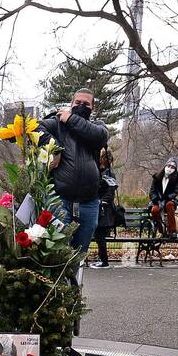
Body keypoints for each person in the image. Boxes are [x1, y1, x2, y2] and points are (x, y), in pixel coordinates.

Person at [39, 89, 108, 254]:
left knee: (80, 252)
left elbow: (100, 136)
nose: (81, 106)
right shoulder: (57, 124)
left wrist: (70, 118)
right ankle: (59, 280)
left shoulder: (98, 127)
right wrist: (54, 148)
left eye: (86, 104)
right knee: (57, 249)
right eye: (77, 103)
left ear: (93, 108)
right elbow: (35, 127)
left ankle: (75, 280)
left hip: (89, 202)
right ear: (71, 104)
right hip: (60, 199)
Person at [92, 147, 120, 268]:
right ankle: (101, 259)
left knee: (100, 235)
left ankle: (104, 261)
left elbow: (110, 192)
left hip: (105, 210)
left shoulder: (109, 173)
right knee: (99, 236)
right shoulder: (99, 171)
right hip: (99, 207)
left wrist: (101, 202)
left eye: (106, 159)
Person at [149, 157, 178, 236]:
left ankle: (172, 231)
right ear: (165, 166)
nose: (170, 168)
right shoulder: (156, 177)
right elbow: (151, 192)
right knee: (154, 210)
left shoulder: (176, 178)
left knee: (170, 205)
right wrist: (157, 200)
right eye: (169, 166)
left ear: (175, 169)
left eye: (173, 167)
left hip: (168, 200)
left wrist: (166, 198)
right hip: (157, 201)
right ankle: (161, 230)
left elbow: (175, 192)